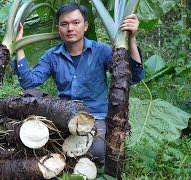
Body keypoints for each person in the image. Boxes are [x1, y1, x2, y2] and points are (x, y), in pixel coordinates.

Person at [12, 3, 143, 163]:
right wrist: (19, 45)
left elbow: (134, 77)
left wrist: (132, 38)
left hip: (95, 117)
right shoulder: (52, 56)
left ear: (85, 26)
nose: (70, 29)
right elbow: (29, 82)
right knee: (29, 96)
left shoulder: (101, 51)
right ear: (58, 28)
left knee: (97, 152)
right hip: (65, 115)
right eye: (64, 24)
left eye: (76, 23)